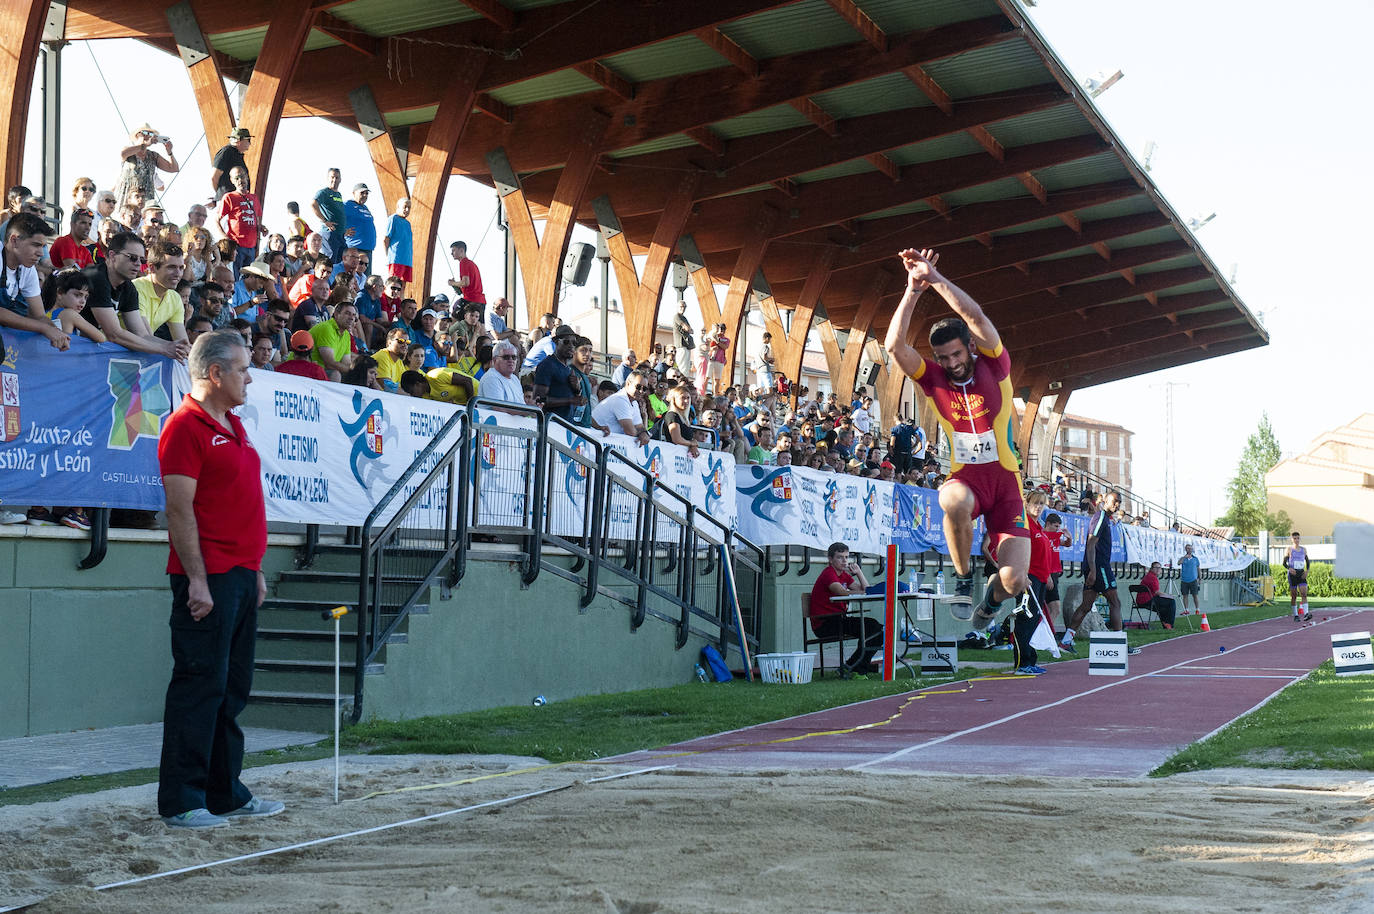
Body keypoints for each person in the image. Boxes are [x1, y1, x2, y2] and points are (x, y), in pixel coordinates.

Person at [156, 329, 282, 829]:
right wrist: (198, 582)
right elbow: (180, 510)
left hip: (241, 574)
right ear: (215, 373)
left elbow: (238, 505)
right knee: (199, 687)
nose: (249, 377)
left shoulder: (232, 424)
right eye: (243, 369)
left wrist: (255, 571)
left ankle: (225, 793)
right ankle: (183, 800)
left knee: (232, 689)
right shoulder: (185, 426)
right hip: (208, 578)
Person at [884, 246, 1030, 622]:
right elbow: (894, 346)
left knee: (1015, 580)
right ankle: (963, 577)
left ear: (970, 347)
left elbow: (973, 315)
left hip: (1005, 482)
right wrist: (913, 291)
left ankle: (992, 600)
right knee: (952, 500)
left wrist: (934, 279)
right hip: (966, 477)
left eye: (956, 355)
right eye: (943, 358)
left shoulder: (995, 365)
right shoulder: (933, 380)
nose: (951, 364)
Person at [1061, 490, 1131, 653]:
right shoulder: (1100, 518)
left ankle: (1066, 641)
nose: (1117, 505)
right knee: (1115, 602)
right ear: (1105, 501)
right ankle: (1120, 643)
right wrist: (1092, 570)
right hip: (1098, 567)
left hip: (1096, 566)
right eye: (1114, 501)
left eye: (1119, 502)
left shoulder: (1105, 518)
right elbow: (1091, 543)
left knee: (1086, 606)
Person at [808, 542, 883, 673]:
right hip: (824, 623)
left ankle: (853, 666)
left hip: (838, 620)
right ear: (830, 560)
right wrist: (865, 593)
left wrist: (859, 572)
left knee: (877, 629)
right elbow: (841, 592)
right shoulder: (828, 573)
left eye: (846, 557)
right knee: (873, 628)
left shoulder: (844, 575)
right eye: (839, 557)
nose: (844, 561)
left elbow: (866, 589)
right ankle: (856, 666)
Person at [0, 214, 71, 350]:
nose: (40, 253)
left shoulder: (27, 270)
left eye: (43, 246)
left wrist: (57, 332)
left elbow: (39, 316)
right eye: (36, 245)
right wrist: (43, 328)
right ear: (14, 240)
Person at [132, 242, 189, 341]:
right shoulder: (136, 289)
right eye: (171, 267)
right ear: (152, 268)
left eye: (181, 268)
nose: (178, 274)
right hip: (109, 352)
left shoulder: (175, 298)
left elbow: (181, 340)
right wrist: (175, 347)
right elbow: (145, 337)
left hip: (139, 352)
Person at [115, 125, 178, 205]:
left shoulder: (153, 156)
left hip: (146, 201)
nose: (148, 136)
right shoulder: (128, 151)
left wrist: (170, 152)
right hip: (128, 199)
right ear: (138, 135)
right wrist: (144, 144)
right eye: (145, 133)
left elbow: (174, 168)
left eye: (151, 134)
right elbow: (123, 154)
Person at [216, 166, 261, 275]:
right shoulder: (229, 197)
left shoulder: (254, 198)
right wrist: (225, 237)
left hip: (252, 246)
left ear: (247, 177)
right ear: (232, 181)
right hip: (237, 246)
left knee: (248, 278)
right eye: (236, 178)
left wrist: (261, 230)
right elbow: (217, 220)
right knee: (234, 276)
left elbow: (258, 220)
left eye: (242, 176)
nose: (240, 180)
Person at [532, 330, 583, 421]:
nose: (571, 346)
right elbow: (539, 400)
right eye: (566, 342)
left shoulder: (569, 369)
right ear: (556, 342)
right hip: (551, 425)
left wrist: (577, 389)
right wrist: (570, 400)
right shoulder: (547, 365)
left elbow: (574, 401)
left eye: (574, 343)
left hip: (567, 425)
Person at [591, 369, 652, 445]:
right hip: (594, 442)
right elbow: (630, 432)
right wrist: (642, 435)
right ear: (628, 384)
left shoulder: (634, 402)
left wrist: (644, 433)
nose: (641, 391)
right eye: (638, 387)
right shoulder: (620, 399)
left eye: (644, 389)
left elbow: (639, 426)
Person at [310, 301, 359, 381]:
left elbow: (346, 363)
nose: (351, 318)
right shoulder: (326, 328)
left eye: (353, 315)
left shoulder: (346, 335)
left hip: (320, 372)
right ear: (336, 314)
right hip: (304, 371)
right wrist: (355, 372)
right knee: (335, 374)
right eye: (347, 313)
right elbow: (329, 364)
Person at [1042, 511, 1071, 635]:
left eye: (1059, 526)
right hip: (1044, 574)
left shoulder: (1055, 536)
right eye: (1055, 526)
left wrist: (1069, 537)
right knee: (1048, 608)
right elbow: (1040, 557)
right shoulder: (1042, 535)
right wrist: (1047, 574)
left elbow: (1067, 544)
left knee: (1054, 609)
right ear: (1048, 524)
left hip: (1054, 574)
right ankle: (1043, 633)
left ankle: (1045, 633)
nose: (1058, 529)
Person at [651, 383, 699, 458]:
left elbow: (686, 438)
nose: (686, 401)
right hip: (670, 456)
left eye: (688, 398)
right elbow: (676, 439)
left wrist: (693, 445)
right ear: (674, 399)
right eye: (683, 398)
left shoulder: (685, 418)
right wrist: (691, 443)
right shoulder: (672, 415)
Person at [311, 168, 345, 262]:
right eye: (332, 177)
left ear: (340, 179)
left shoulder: (338, 194)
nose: (334, 180)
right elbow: (313, 204)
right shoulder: (324, 192)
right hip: (329, 233)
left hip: (340, 235)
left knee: (341, 261)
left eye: (337, 177)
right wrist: (325, 221)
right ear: (328, 178)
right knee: (330, 260)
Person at [209, 127, 251, 200]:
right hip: (229, 201)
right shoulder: (226, 152)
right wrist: (221, 197)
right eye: (248, 140)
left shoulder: (237, 155)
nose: (250, 143)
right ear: (239, 140)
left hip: (238, 200)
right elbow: (214, 177)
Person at [481, 340, 526, 404]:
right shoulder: (491, 378)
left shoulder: (515, 379)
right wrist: (528, 412)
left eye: (514, 357)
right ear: (495, 360)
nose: (511, 360)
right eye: (506, 357)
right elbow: (499, 408)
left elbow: (522, 405)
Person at [1135, 561, 1177, 628]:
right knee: (1171, 602)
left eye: (1159, 568)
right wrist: (1169, 596)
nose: (1158, 569)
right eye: (1156, 567)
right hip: (1147, 600)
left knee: (1163, 607)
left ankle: (1165, 624)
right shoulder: (1152, 577)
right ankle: (1170, 625)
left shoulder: (1148, 576)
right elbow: (1157, 592)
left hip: (1141, 601)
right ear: (1151, 569)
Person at [342, 183, 375, 264]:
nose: (364, 195)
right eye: (362, 193)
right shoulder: (347, 205)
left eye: (366, 193)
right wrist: (343, 231)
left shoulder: (365, 207)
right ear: (354, 193)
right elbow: (334, 217)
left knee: (365, 276)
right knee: (354, 273)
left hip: (368, 248)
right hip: (355, 247)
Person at [383, 197, 412, 287]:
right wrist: (387, 255)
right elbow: (386, 239)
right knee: (393, 283)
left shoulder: (408, 223)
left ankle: (401, 301)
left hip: (407, 259)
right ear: (398, 207)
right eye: (405, 207)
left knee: (403, 285)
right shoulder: (393, 219)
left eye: (409, 208)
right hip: (396, 258)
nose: (407, 210)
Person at [447, 240, 484, 309]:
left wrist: (452, 283)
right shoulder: (472, 264)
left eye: (453, 250)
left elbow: (465, 283)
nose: (451, 253)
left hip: (471, 301)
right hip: (480, 301)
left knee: (455, 315)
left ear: (461, 250)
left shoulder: (463, 262)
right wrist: (458, 287)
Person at [1284, 532, 1311, 622]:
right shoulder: (1289, 549)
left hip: (1301, 573)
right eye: (1294, 538)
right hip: (1293, 574)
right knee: (1294, 595)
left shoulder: (1304, 549)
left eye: (1298, 538)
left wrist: (1307, 571)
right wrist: (1289, 568)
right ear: (1292, 539)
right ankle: (1295, 615)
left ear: (1299, 539)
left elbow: (1307, 562)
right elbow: (1284, 563)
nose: (1296, 540)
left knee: (1304, 593)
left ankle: (1306, 613)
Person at [1177, 543, 1201, 613]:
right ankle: (1186, 609)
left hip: (1193, 580)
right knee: (1185, 595)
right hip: (1184, 580)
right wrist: (1184, 557)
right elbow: (1179, 563)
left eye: (1190, 548)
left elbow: (1198, 568)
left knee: (1195, 595)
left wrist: (1200, 578)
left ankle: (1197, 609)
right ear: (1185, 549)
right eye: (1188, 548)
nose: (1189, 550)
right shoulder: (1183, 558)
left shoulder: (1195, 559)